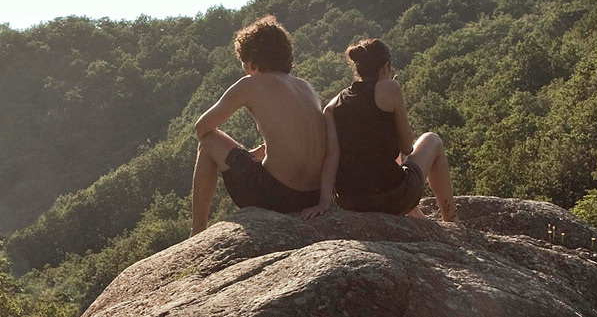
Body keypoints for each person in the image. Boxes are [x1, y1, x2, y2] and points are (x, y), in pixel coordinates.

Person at [190, 16, 336, 235]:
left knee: (209, 141)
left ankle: (197, 229)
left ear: (252, 60)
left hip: (277, 195)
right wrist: (255, 153)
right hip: (313, 195)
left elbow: (202, 127)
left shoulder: (251, 84)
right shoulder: (306, 87)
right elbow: (296, 137)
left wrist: (239, 155)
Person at [325, 38, 457, 221]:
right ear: (385, 67)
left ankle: (414, 213)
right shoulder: (390, 88)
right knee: (432, 140)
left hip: (349, 202)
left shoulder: (334, 104)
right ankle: (451, 219)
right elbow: (407, 148)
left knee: (380, 153)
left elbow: (334, 154)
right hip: (389, 198)